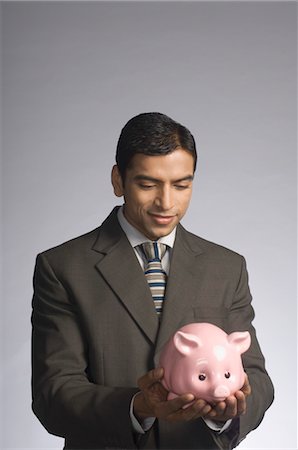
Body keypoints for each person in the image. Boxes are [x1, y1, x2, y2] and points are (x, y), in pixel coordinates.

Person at [31, 112, 274, 450]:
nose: (167, 202)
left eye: (182, 184)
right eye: (148, 184)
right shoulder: (63, 268)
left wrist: (227, 414)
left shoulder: (227, 267)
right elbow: (52, 394)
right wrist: (137, 407)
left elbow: (257, 378)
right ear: (119, 181)